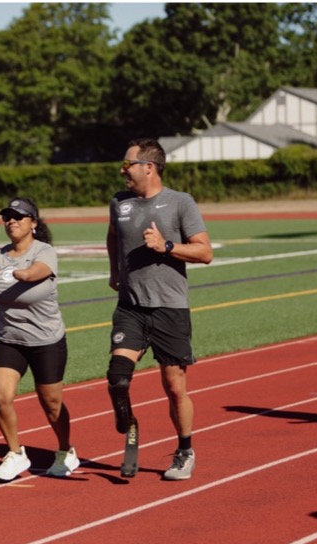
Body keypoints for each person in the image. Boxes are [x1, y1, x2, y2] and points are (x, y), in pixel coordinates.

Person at [106, 138, 213, 480]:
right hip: (131, 306)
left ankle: (184, 450)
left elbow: (204, 252)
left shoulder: (180, 202)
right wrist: (114, 271)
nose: (123, 171)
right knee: (118, 378)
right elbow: (112, 236)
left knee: (174, 386)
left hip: (169, 306)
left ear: (148, 167)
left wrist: (166, 246)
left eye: (128, 165)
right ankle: (128, 421)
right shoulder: (119, 202)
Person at [0, 197, 80, 481]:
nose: (11, 221)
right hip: (9, 338)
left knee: (51, 403)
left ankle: (66, 450)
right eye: (7, 217)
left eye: (18, 216)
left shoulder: (45, 252)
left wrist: (13, 271)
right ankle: (16, 454)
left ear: (33, 223)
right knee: (1, 397)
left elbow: (33, 273)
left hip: (46, 340)